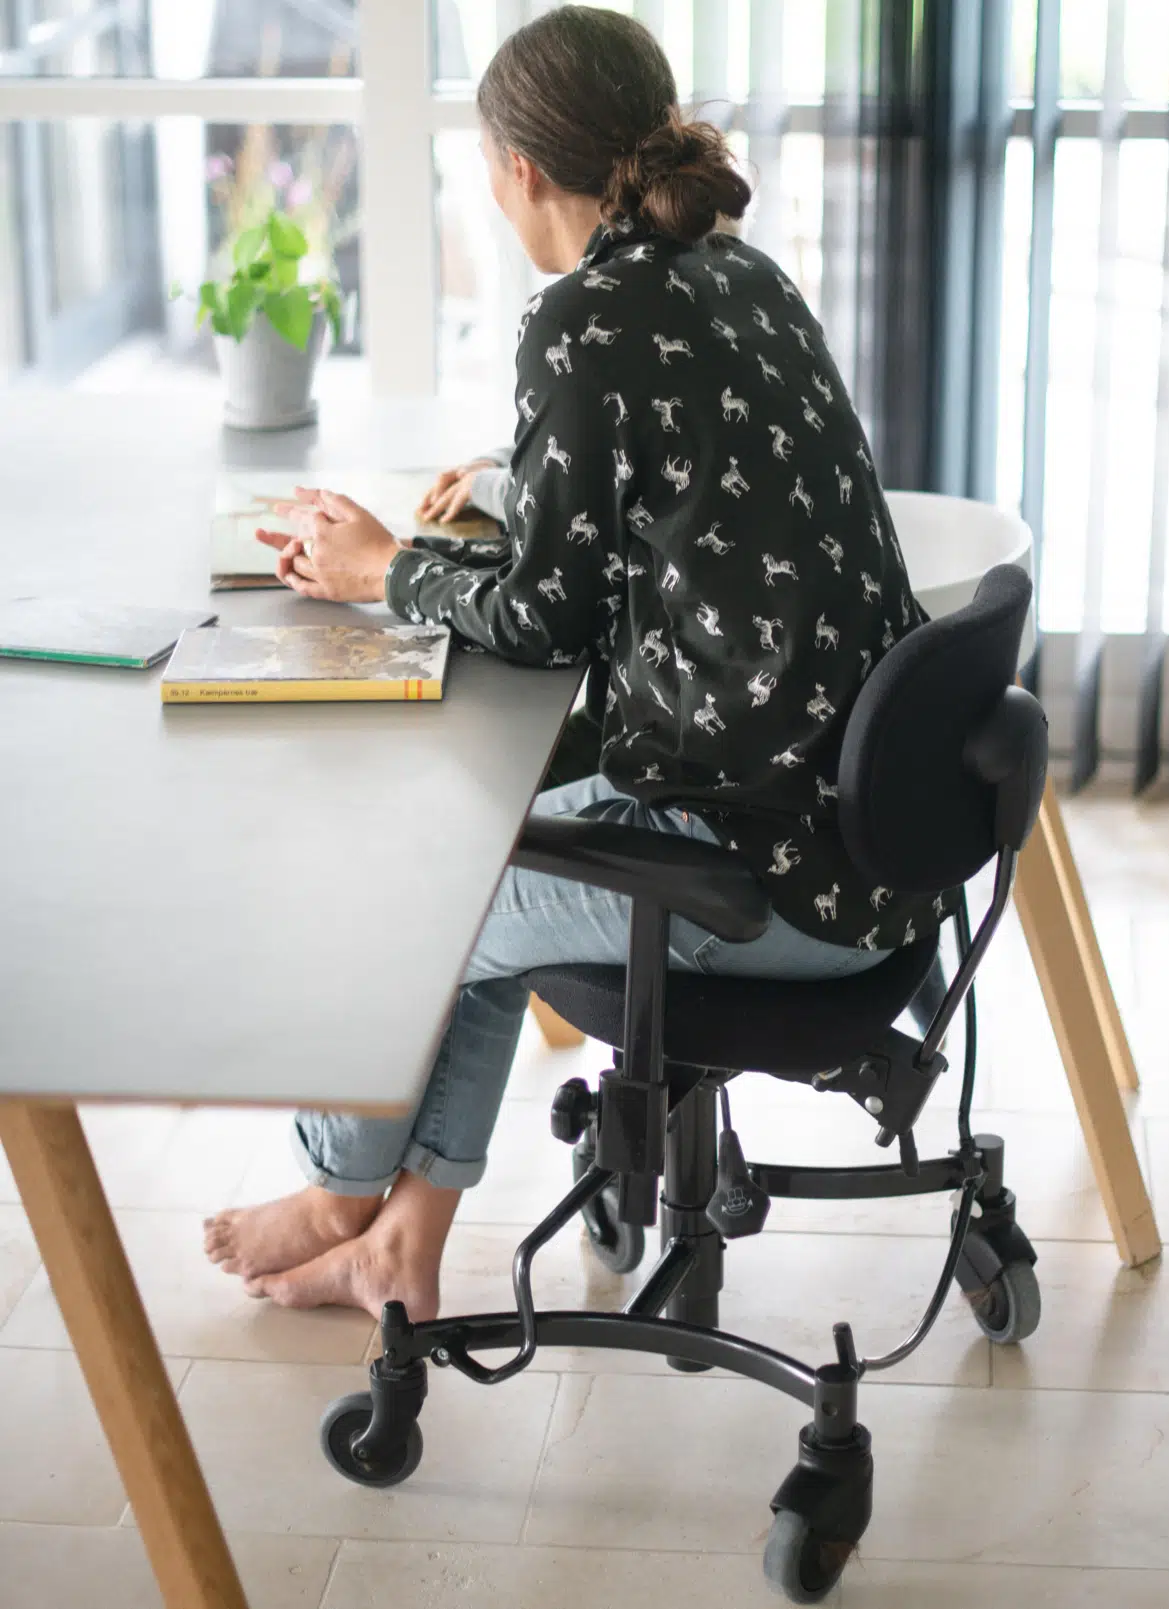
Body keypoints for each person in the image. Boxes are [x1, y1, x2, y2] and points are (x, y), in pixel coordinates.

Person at [203, 4, 956, 1323]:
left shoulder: (581, 321)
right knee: (486, 853)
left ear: (516, 171)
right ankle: (398, 1247)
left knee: (418, 889)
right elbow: (694, 480)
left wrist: (380, 569)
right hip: (874, 854)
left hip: (761, 882)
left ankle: (338, 1191)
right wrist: (514, 480)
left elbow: (549, 621)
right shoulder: (744, 275)